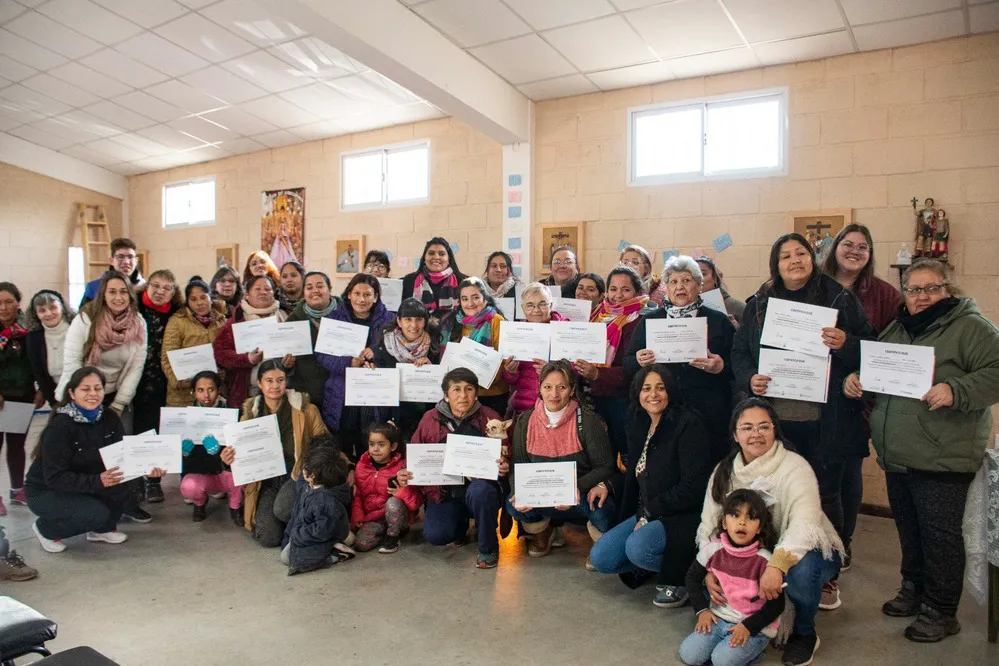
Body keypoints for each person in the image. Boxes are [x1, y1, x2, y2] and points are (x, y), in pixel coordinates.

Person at [845, 259, 999, 643]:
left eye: (932, 288)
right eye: (914, 290)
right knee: (910, 532)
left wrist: (956, 390)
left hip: (943, 454)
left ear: (948, 289)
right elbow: (875, 369)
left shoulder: (972, 328)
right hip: (900, 454)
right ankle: (914, 590)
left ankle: (942, 611)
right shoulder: (898, 329)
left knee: (940, 536)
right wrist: (856, 379)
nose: (923, 297)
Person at [732, 232, 874, 609]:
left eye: (801, 254)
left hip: (824, 420)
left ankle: (828, 574)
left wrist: (846, 343)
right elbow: (740, 352)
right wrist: (750, 379)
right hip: (775, 419)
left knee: (825, 495)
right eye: (785, 256)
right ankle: (776, 563)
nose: (794, 261)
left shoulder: (841, 299)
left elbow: (870, 349)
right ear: (775, 265)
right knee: (773, 494)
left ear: (813, 259)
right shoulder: (760, 302)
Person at [698, 399, 843, 666]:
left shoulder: (795, 467)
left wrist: (776, 565)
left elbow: (805, 525)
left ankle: (804, 633)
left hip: (804, 550)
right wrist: (710, 566)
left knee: (800, 573)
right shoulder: (724, 471)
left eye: (764, 426)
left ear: (775, 429)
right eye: (747, 427)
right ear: (735, 434)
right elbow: (710, 525)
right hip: (752, 552)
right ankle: (748, 620)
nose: (756, 434)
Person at [588, 365, 714, 608]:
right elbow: (637, 475)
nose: (653, 394)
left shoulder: (688, 424)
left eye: (660, 388)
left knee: (637, 549)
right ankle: (660, 565)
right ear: (637, 393)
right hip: (648, 511)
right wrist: (608, 483)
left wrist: (649, 512)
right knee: (601, 558)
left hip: (681, 516)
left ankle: (685, 577)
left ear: (671, 391)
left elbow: (694, 486)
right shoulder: (639, 424)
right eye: (646, 388)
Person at [821, 224, 900, 570]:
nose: (854, 251)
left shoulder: (884, 294)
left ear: (870, 255)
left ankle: (843, 542)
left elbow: (890, 347)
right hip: (810, 394)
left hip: (856, 396)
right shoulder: (815, 287)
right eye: (848, 244)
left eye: (863, 247)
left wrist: (860, 369)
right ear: (835, 247)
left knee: (847, 473)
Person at [26, 367, 164, 553]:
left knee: (129, 483)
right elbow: (55, 478)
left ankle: (102, 530)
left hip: (88, 478)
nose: (93, 394)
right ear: (72, 393)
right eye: (85, 389)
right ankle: (45, 529)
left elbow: (123, 455)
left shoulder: (108, 417)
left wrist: (145, 467)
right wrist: (98, 480)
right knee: (95, 513)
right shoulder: (60, 427)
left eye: (97, 388)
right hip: (47, 490)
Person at [625, 256, 736, 464]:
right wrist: (639, 360)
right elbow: (628, 363)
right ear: (666, 287)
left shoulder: (718, 320)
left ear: (699, 285)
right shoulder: (650, 320)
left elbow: (737, 366)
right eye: (673, 281)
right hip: (662, 412)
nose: (680, 287)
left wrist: (721, 366)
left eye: (686, 280)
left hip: (708, 412)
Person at [397, 368, 509, 569]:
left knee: (481, 492)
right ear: (446, 396)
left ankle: (487, 548)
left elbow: (506, 452)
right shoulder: (429, 419)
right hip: (444, 491)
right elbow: (415, 455)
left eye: (469, 389)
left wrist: (504, 464)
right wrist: (407, 471)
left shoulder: (490, 417)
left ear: (476, 393)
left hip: (479, 487)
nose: (463, 395)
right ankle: (459, 527)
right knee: (437, 535)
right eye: (456, 390)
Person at [506, 360, 616, 563]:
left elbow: (605, 466)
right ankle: (544, 531)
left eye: (562, 387)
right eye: (547, 387)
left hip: (579, 493)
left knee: (601, 509)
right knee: (512, 504)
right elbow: (518, 465)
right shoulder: (525, 421)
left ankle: (600, 545)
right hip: (541, 491)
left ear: (572, 389)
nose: (554, 394)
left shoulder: (588, 421)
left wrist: (578, 487)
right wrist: (519, 491)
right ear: (539, 388)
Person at [221, 360, 329, 547]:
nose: (275, 386)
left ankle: (316, 522)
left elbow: (325, 443)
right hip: (266, 481)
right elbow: (241, 454)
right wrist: (228, 460)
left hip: (296, 476)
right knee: (268, 538)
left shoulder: (305, 409)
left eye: (280, 380)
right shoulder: (250, 414)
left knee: (283, 509)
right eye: (269, 380)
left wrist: (313, 471)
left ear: (286, 382)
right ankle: (293, 523)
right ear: (259, 384)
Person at [680, 489, 784, 666]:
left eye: (751, 518)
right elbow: (692, 578)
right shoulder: (713, 550)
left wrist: (749, 627)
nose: (742, 522)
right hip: (718, 619)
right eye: (735, 515)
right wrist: (702, 610)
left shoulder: (764, 560)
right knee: (689, 655)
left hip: (752, 627)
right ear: (724, 523)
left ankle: (755, 652)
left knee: (722, 661)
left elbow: (777, 604)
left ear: (759, 528)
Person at [57, 271, 147, 438]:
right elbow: (72, 362)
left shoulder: (139, 323)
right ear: (103, 295)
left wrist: (119, 404)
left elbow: (136, 367)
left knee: (119, 447)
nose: (118, 297)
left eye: (123, 291)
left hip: (117, 395)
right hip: (82, 393)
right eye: (112, 292)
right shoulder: (86, 318)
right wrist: (80, 399)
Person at [315, 274, 393, 459]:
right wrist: (348, 363)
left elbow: (395, 353)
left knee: (370, 439)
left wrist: (377, 352)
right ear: (349, 294)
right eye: (357, 293)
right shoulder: (334, 318)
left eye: (367, 294)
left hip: (373, 391)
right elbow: (322, 355)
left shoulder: (389, 320)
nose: (361, 299)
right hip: (342, 392)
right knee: (343, 441)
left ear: (376, 297)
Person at [576, 266, 648, 457]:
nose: (618, 295)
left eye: (626, 289)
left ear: (637, 292)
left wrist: (598, 373)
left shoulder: (640, 321)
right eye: (613, 289)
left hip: (624, 401)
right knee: (600, 454)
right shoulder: (598, 316)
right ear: (606, 291)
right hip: (595, 397)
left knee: (623, 455)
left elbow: (634, 369)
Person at [133, 270, 183, 503]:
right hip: (137, 379)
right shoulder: (134, 308)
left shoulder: (177, 313)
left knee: (160, 431)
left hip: (167, 381)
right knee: (141, 431)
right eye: (156, 286)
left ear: (174, 292)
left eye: (167, 288)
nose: (160, 291)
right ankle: (139, 481)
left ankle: (154, 480)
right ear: (146, 286)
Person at [212, 275, 287, 410]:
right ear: (247, 294)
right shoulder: (237, 319)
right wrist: (247, 359)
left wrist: (289, 362)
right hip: (246, 393)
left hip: (281, 393)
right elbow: (220, 353)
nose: (263, 292)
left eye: (267, 289)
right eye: (257, 289)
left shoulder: (284, 316)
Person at [0, 282, 43, 514]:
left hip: (22, 397)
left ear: (18, 302)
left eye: (8, 301)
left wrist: (42, 390)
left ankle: (17, 490)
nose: (3, 307)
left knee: (17, 445)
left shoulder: (28, 329)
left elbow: (38, 362)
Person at [370, 297, 439, 440]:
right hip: (394, 414)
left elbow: (444, 383)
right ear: (399, 321)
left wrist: (431, 368)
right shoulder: (384, 343)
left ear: (425, 321)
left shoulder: (435, 345)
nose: (413, 325)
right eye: (408, 319)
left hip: (426, 411)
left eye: (419, 319)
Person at [179, 371, 243, 525]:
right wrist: (183, 453)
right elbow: (183, 465)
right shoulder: (183, 417)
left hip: (226, 473)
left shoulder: (233, 413)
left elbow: (240, 450)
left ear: (218, 390)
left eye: (211, 389)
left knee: (243, 475)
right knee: (188, 486)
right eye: (200, 390)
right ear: (193, 391)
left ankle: (236, 507)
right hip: (201, 473)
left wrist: (219, 452)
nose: (206, 395)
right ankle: (199, 504)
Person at [439, 277, 509, 416]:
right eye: (464, 299)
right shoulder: (450, 322)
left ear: (485, 298)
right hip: (459, 396)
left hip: (491, 394)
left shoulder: (496, 321)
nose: (470, 303)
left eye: (475, 297)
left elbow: (504, 359)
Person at [351, 422, 423, 554]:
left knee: (392, 503)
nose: (375, 449)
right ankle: (385, 532)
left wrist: (400, 492)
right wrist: (358, 516)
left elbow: (416, 502)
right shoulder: (361, 466)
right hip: (373, 518)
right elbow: (358, 495)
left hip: (398, 514)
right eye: (371, 444)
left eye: (381, 445)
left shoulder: (403, 467)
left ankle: (393, 537)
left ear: (393, 446)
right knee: (361, 544)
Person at [283, 446, 353, 575]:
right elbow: (297, 514)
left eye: (305, 467)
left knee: (288, 558)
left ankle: (335, 554)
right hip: (307, 532)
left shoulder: (325, 501)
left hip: (323, 536)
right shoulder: (309, 487)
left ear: (312, 475)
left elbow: (322, 530)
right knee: (287, 551)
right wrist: (290, 536)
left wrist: (298, 535)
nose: (302, 469)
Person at [161, 277, 228, 408]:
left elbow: (227, 354)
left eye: (203, 297)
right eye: (193, 299)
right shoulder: (177, 321)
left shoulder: (221, 321)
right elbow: (166, 357)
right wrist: (179, 382)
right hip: (183, 396)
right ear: (187, 302)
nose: (199, 303)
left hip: (214, 395)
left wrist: (223, 373)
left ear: (210, 297)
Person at [503, 282, 566, 416]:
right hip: (525, 408)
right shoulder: (516, 333)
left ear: (551, 305)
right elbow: (511, 380)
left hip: (558, 408)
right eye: (530, 305)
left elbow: (577, 371)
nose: (536, 310)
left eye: (542, 304)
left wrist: (551, 370)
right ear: (523, 308)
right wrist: (511, 372)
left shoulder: (565, 329)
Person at [285, 271, 341, 409]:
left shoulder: (346, 316)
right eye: (309, 287)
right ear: (303, 292)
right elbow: (280, 365)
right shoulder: (292, 321)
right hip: (307, 398)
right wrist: (286, 365)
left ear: (330, 289)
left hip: (341, 395)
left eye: (320, 286)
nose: (315, 291)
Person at [25, 289, 74, 409]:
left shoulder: (76, 328)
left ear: (62, 308)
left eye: (53, 308)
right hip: (55, 393)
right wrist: (54, 402)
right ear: (35, 314)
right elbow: (39, 372)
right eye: (42, 310)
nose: (48, 313)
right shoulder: (33, 337)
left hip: (82, 388)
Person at [401, 237, 466, 315]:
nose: (436, 257)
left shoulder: (463, 282)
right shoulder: (408, 281)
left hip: (455, 326)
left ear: (449, 259)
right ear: (424, 259)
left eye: (442, 254)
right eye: (431, 253)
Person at [80, 237, 144, 307]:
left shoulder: (145, 288)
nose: (126, 262)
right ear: (111, 261)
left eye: (130, 257)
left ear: (136, 261)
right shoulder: (94, 287)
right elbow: (83, 316)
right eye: (120, 257)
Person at [695, 256, 746, 324]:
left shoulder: (738, 307)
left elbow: (754, 333)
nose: (698, 279)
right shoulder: (683, 307)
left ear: (715, 278)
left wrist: (736, 329)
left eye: (703, 274)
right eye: (694, 275)